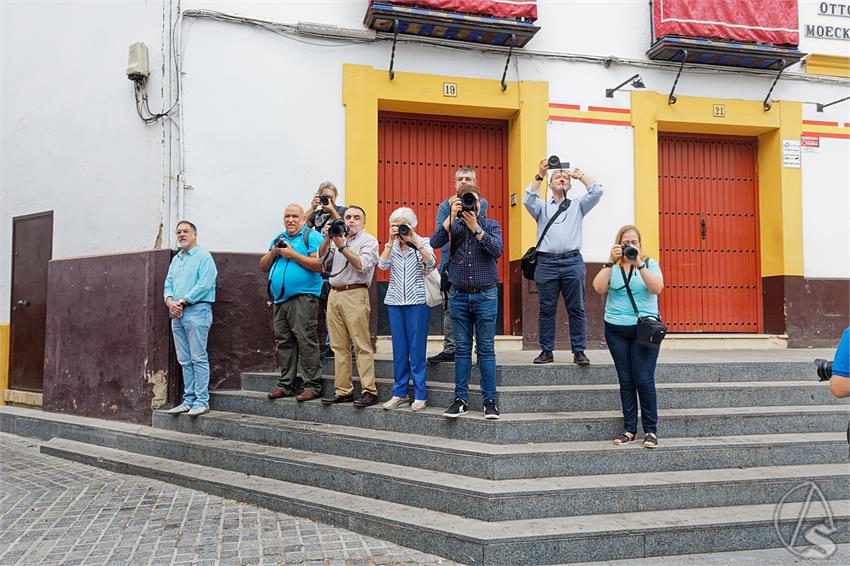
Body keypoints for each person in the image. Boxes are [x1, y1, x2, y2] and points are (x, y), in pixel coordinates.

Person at [430, 185, 503, 419]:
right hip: (459, 295)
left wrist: (476, 229)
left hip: (486, 295)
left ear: (481, 204)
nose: (472, 205)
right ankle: (459, 400)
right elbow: (434, 242)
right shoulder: (454, 225)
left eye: (474, 200)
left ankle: (489, 401)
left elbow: (497, 250)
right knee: (462, 351)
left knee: (486, 350)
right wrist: (450, 218)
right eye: (466, 200)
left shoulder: (491, 225)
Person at [524, 159, 603, 365]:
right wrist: (540, 174)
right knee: (546, 308)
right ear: (550, 185)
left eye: (565, 177)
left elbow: (596, 192)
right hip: (546, 263)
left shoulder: (578, 205)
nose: (562, 178)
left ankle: (579, 351)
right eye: (557, 177)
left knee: (576, 308)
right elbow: (527, 199)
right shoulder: (541, 207)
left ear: (570, 184)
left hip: (572, 262)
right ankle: (546, 351)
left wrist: (580, 176)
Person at [592, 225, 664, 448]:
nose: (630, 246)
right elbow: (598, 287)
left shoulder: (650, 264)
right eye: (626, 243)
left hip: (645, 330)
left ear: (640, 244)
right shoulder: (612, 266)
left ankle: (650, 431)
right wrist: (609, 262)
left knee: (643, 379)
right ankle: (630, 429)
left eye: (634, 242)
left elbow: (657, 288)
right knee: (626, 380)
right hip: (616, 329)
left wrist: (639, 264)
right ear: (618, 244)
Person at [260, 204, 325, 402]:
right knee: (284, 342)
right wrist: (273, 252)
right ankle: (286, 384)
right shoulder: (279, 238)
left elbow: (320, 265)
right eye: (287, 216)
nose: (290, 220)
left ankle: (312, 385)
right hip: (280, 299)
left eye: (295, 216)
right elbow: (263, 266)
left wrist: (293, 255)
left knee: (306, 340)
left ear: (303, 219)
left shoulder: (312, 237)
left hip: (304, 297)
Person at [319, 206, 381, 407]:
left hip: (356, 293)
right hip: (335, 294)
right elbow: (321, 259)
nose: (352, 221)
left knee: (361, 345)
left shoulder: (368, 241)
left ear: (364, 222)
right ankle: (343, 390)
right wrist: (328, 239)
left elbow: (362, 265)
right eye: (348, 217)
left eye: (356, 218)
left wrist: (343, 247)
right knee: (338, 346)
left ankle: (369, 390)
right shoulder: (337, 239)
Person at [427, 167, 489, 364]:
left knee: (481, 310)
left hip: (477, 266)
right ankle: (450, 348)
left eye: (468, 178)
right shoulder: (446, 205)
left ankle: (482, 350)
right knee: (449, 308)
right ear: (454, 183)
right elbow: (440, 235)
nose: (464, 181)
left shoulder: (481, 202)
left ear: (475, 182)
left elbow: (479, 225)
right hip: (451, 264)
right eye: (460, 179)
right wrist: (453, 213)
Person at [378, 207, 436, 412]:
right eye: (396, 224)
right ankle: (399, 392)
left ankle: (420, 395)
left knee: (417, 350)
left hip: (417, 302)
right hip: (395, 301)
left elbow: (431, 262)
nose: (400, 228)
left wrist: (414, 241)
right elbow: (382, 265)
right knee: (400, 350)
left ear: (412, 225)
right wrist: (389, 240)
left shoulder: (423, 242)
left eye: (404, 224)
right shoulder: (391, 246)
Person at [164, 220, 218, 417]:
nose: (181, 235)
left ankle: (202, 401)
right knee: (184, 360)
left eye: (186, 231)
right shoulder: (176, 260)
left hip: (197, 311)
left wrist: (183, 301)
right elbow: (168, 284)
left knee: (198, 357)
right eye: (178, 232)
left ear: (194, 235)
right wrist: (170, 302)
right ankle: (188, 400)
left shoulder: (204, 257)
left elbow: (205, 284)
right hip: (177, 314)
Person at [305, 181, 346, 359]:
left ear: (335, 198)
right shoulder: (316, 214)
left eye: (330, 196)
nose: (327, 200)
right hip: (320, 263)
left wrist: (332, 210)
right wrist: (311, 208)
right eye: (324, 196)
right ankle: (331, 344)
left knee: (339, 310)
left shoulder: (342, 211)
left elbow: (346, 227)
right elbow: (302, 227)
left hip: (339, 263)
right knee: (327, 309)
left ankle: (339, 344)